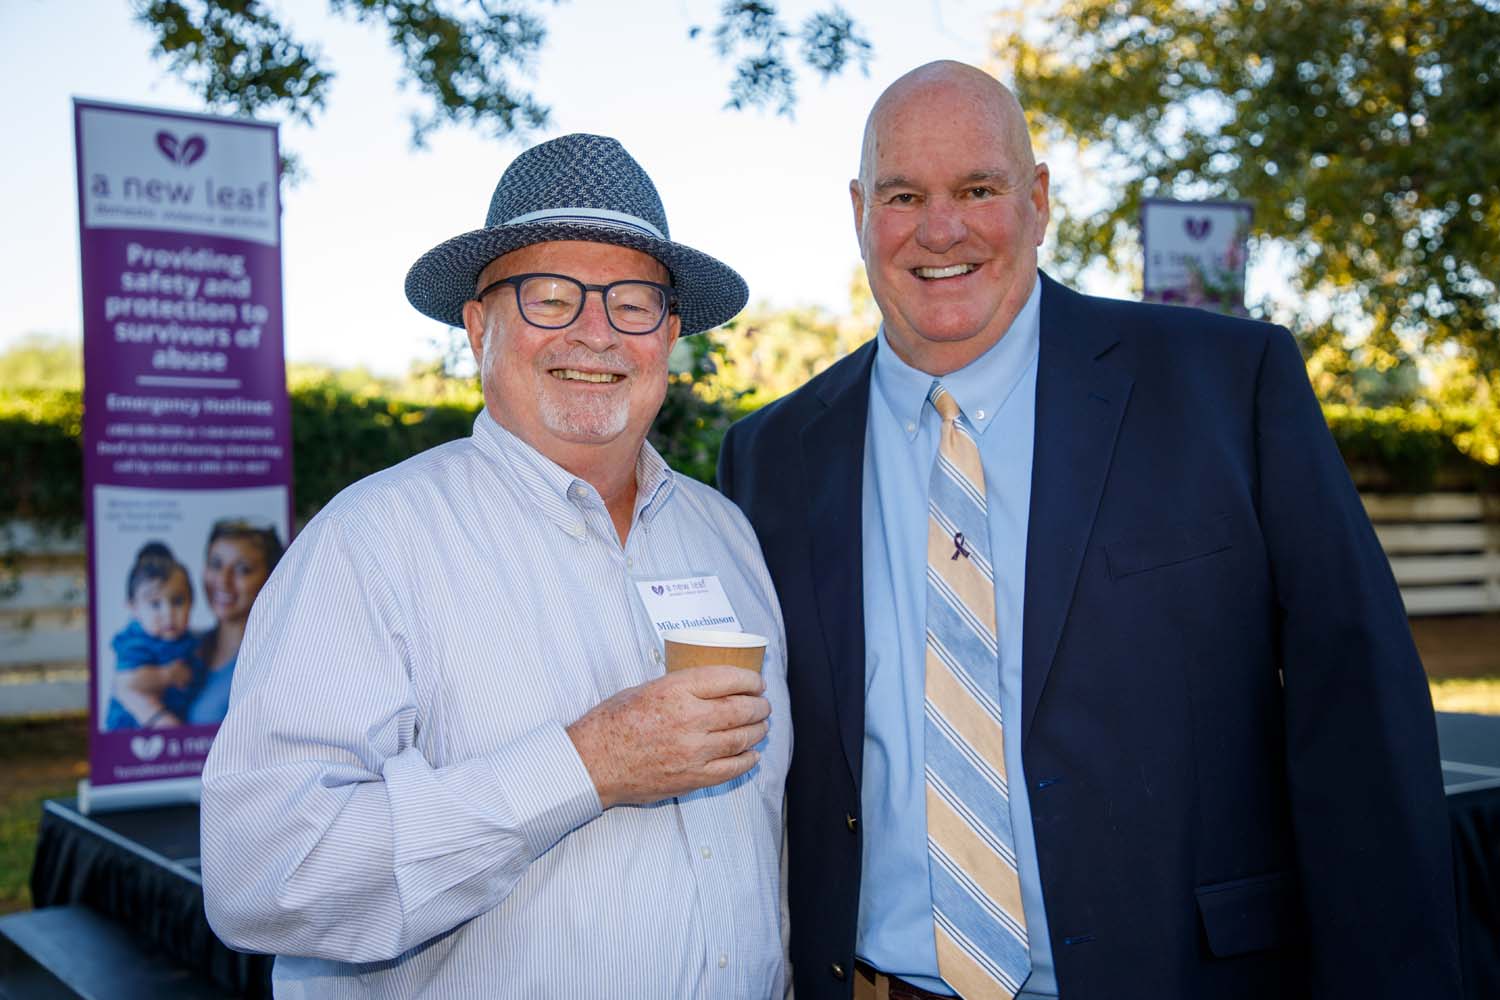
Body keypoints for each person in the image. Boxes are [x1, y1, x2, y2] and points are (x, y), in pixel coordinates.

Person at [717, 60, 1460, 999]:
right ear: (861, 212)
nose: (940, 230)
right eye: (904, 196)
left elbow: (1361, 724)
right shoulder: (771, 457)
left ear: (1037, 200)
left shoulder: (1227, 388)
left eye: (977, 189)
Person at [201, 133, 790, 998]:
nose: (595, 333)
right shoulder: (371, 544)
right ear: (480, 325)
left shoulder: (726, 536)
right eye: (550, 297)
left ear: (668, 334)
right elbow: (263, 876)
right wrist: (584, 766)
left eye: (632, 303)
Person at [186, 518, 283, 725]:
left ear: (271, 577)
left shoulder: (273, 665)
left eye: (242, 569)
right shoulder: (184, 646)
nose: (223, 580)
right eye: (216, 565)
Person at [105, 541, 200, 730]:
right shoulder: (135, 643)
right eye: (155, 604)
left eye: (178, 601)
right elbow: (128, 681)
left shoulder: (189, 640)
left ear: (192, 603)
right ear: (134, 608)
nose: (168, 613)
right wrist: (167, 675)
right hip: (130, 727)